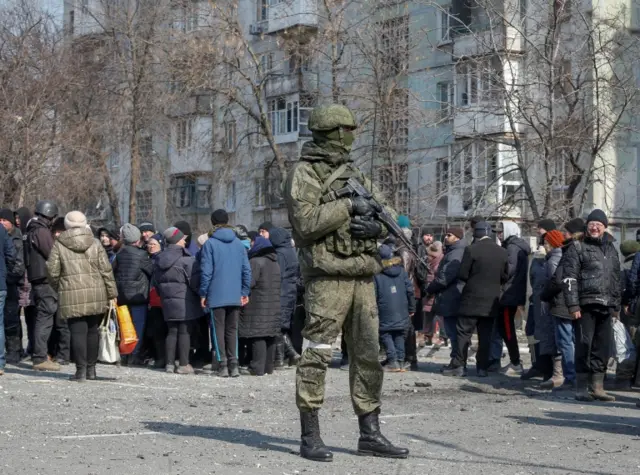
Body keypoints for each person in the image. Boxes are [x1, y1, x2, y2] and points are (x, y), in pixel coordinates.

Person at [283, 103, 408, 462]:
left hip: (363, 277)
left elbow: (384, 213)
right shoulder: (303, 174)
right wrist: (347, 208)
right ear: (335, 132)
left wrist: (375, 228)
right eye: (349, 129)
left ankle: (370, 433)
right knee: (318, 355)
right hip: (327, 279)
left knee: (368, 357)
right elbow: (305, 223)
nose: (353, 135)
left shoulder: (354, 173)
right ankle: (310, 436)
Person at [46, 211, 117, 381]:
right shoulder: (96, 243)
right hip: (96, 291)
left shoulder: (59, 244)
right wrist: (112, 292)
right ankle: (91, 370)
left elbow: (52, 271)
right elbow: (106, 270)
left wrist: (60, 287)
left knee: (77, 332)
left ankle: (80, 372)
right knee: (93, 331)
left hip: (71, 293)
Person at [562, 209, 620, 402]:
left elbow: (616, 278)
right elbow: (569, 278)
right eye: (591, 224)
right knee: (584, 345)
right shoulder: (577, 247)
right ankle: (581, 388)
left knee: (602, 347)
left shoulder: (611, 248)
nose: (595, 227)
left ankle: (598, 387)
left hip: (607, 305)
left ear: (604, 227)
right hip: (585, 305)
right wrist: (573, 305)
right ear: (587, 227)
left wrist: (616, 305)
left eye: (599, 224)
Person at [444, 221, 508, 377]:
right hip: (491, 301)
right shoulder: (502, 252)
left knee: (463, 334)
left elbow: (463, 274)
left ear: (475, 233)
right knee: (485, 336)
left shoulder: (471, 250)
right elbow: (505, 276)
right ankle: (482, 368)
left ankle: (459, 366)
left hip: (471, 300)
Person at [199, 209, 251, 378]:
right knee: (232, 329)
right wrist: (244, 291)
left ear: (213, 222)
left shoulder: (210, 244)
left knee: (218, 330)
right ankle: (234, 363)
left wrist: (203, 293)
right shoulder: (239, 244)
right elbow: (246, 270)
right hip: (235, 293)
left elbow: (206, 271)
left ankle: (222, 365)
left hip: (216, 293)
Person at [153, 227, 201, 374]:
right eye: (182, 238)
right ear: (177, 241)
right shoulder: (186, 260)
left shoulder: (159, 259)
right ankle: (184, 364)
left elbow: (156, 282)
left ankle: (169, 364)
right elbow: (195, 283)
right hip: (184, 301)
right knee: (184, 332)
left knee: (171, 331)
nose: (184, 240)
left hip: (167, 301)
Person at [26, 200, 62, 371]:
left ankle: (39, 354)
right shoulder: (41, 231)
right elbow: (52, 253)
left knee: (42, 316)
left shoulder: (31, 229)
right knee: (45, 317)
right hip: (44, 278)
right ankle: (40, 357)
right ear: (50, 215)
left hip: (37, 277)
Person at [239, 236, 281, 376]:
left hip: (258, 305)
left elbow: (249, 282)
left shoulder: (256, 262)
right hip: (273, 304)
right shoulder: (275, 262)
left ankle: (257, 367)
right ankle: (268, 367)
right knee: (270, 335)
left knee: (258, 335)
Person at [112, 223, 153, 364]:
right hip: (138, 296)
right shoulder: (142, 255)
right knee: (138, 326)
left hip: (122, 296)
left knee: (124, 326)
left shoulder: (118, 255)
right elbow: (151, 271)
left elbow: (113, 272)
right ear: (137, 238)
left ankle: (124, 354)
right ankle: (135, 355)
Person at [425, 228, 466, 368]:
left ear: (457, 237)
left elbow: (446, 276)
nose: (446, 237)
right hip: (450, 295)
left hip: (452, 296)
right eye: (446, 234)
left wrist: (431, 288)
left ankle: (457, 362)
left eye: (450, 235)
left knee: (453, 332)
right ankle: (456, 360)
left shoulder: (456, 252)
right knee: (453, 331)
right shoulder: (452, 251)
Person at [494, 221, 530, 376]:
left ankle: (515, 362)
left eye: (501, 231)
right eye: (497, 232)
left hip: (509, 293)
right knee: (505, 328)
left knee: (507, 329)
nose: (498, 235)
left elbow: (508, 270)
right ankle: (514, 360)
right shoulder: (514, 245)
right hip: (510, 292)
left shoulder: (512, 247)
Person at [375, 244, 415, 372]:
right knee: (399, 333)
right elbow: (410, 291)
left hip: (384, 308)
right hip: (402, 308)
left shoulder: (377, 274)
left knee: (386, 334)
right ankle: (401, 361)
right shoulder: (402, 272)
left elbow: (374, 294)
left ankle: (392, 361)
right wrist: (411, 307)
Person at [269, 227, 301, 369]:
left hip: (281, 293)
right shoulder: (291, 251)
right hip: (290, 292)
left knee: (278, 326)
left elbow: (278, 275)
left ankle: (286, 356)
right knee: (282, 326)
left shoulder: (280, 253)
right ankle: (284, 357)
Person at [0, 209, 25, 364]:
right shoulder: (4, 236)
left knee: (11, 319)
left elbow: (18, 264)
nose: (2, 222)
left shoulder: (18, 238)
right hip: (4, 281)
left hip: (13, 283)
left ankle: (14, 352)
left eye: (4, 220)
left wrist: (8, 277)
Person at [146, 235, 167, 368]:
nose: (150, 246)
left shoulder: (160, 259)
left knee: (161, 330)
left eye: (153, 244)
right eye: (149, 244)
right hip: (153, 299)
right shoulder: (147, 258)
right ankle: (159, 356)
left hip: (160, 298)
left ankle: (163, 357)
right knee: (156, 330)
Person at [423, 241, 444, 346]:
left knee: (439, 316)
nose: (427, 257)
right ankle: (428, 335)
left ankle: (442, 337)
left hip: (435, 292)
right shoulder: (431, 263)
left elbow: (439, 279)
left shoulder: (439, 264)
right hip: (430, 292)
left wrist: (430, 289)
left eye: (429, 255)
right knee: (428, 315)